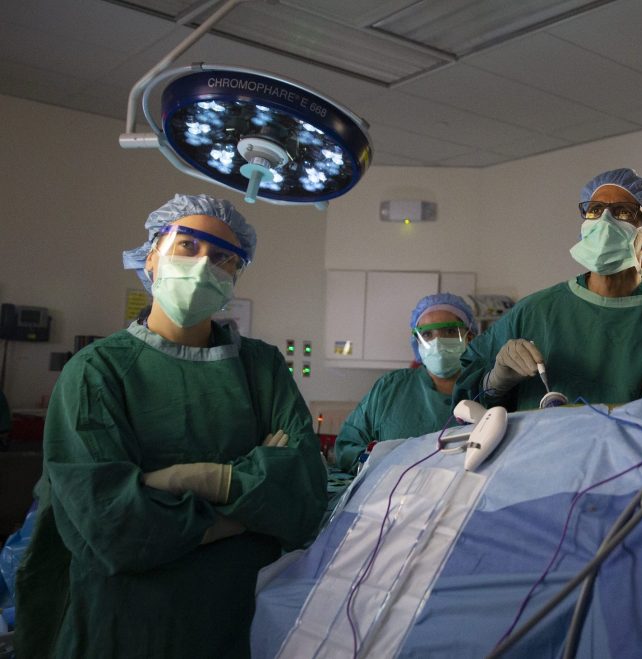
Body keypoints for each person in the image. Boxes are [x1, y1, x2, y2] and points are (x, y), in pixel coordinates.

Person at [15, 194, 327, 658]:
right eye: (188, 247)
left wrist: (188, 481)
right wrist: (248, 505)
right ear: (151, 256)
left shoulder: (261, 367)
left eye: (224, 258)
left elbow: (302, 497)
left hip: (242, 619)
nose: (205, 266)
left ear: (235, 278)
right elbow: (114, 528)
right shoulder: (96, 371)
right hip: (124, 623)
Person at [454, 168, 642, 411]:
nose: (604, 221)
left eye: (622, 212)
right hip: (536, 463)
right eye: (594, 210)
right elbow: (465, 404)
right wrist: (495, 381)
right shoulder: (534, 312)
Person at [334, 293, 478, 478]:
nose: (437, 342)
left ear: (470, 337)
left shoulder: (487, 388)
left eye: (449, 331)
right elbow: (347, 445)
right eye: (427, 334)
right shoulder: (390, 389)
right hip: (393, 498)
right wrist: (373, 463)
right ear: (417, 342)